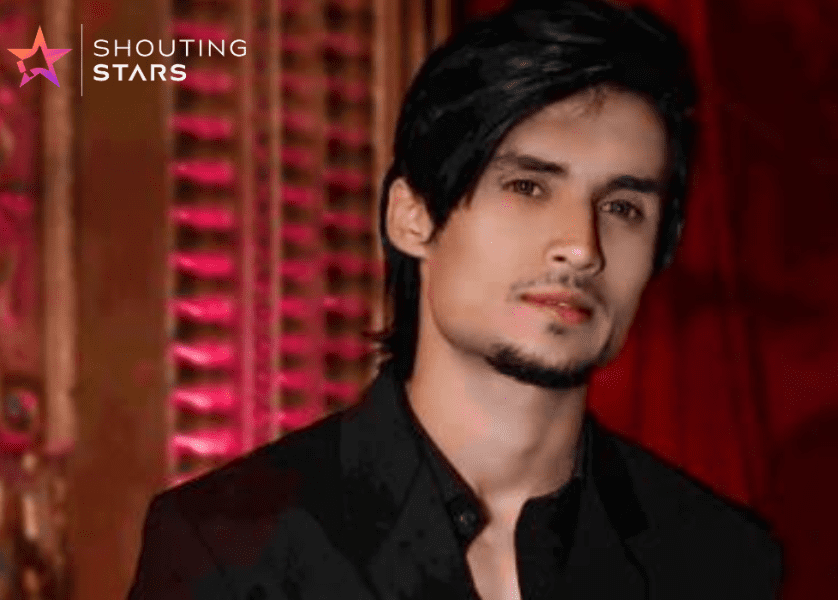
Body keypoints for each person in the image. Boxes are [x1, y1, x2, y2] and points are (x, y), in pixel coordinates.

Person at [127, 1, 783, 598]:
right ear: (413, 217)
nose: (581, 246)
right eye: (527, 188)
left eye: (622, 207)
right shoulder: (231, 549)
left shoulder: (719, 559)